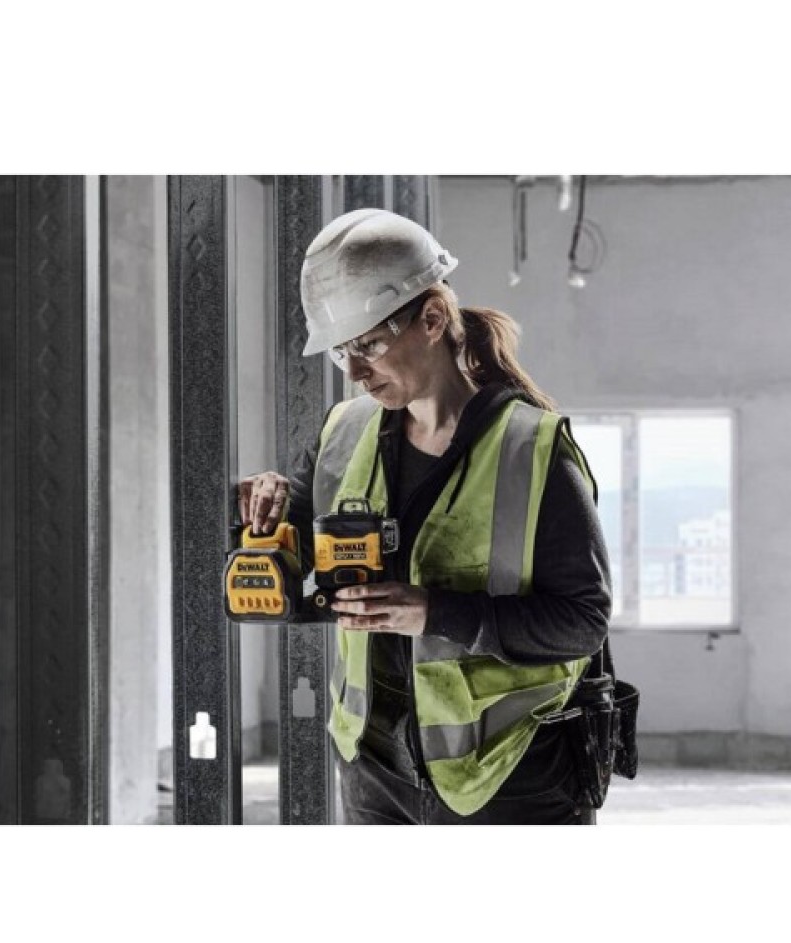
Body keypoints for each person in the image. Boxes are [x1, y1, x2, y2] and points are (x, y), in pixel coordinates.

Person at [239, 208, 612, 825]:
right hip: (373, 766)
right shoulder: (341, 436)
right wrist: (260, 526)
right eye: (341, 352)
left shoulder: (531, 450)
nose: (355, 373)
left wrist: (434, 613)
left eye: (369, 345)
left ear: (433, 319)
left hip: (507, 770)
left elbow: (582, 623)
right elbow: (289, 584)